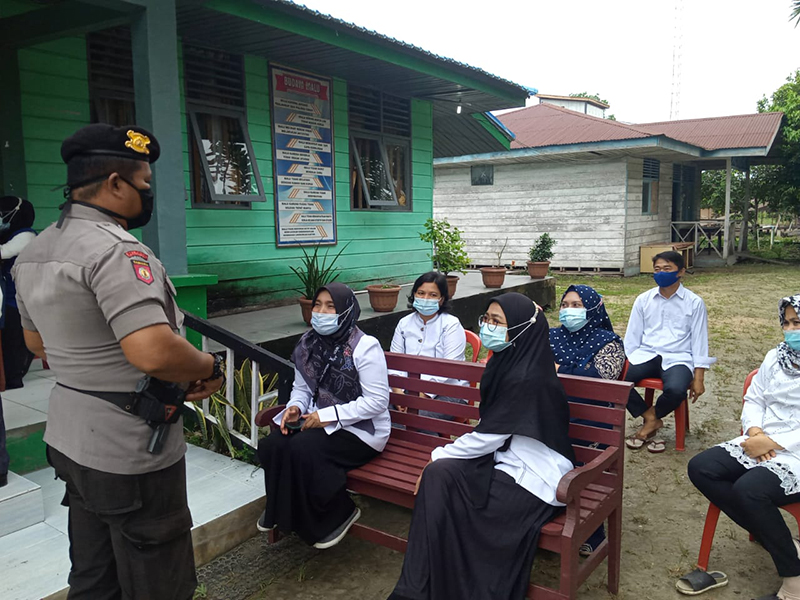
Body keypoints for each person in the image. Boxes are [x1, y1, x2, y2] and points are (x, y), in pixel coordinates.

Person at [13, 123, 224, 599]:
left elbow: (36, 344)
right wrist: (206, 367)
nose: (147, 195)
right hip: (131, 452)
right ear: (114, 184)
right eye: (144, 185)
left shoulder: (35, 252)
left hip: (70, 438)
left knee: (93, 576)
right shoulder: (117, 250)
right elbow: (151, 349)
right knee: (159, 581)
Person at [389, 293, 575, 600]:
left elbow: (491, 434)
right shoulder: (508, 361)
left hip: (537, 475)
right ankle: (414, 589)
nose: (488, 326)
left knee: (468, 508)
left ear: (521, 328)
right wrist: (438, 462)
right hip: (502, 458)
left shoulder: (529, 375)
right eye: (486, 319)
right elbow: (493, 435)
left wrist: (439, 453)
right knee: (438, 477)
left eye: (497, 321)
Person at [677, 295, 800, 598]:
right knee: (702, 467)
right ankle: (782, 541)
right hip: (759, 438)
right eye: (785, 323)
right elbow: (755, 397)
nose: (790, 330)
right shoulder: (776, 356)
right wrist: (755, 430)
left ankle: (794, 584)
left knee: (749, 490)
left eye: (797, 322)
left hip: (794, 451)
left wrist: (771, 442)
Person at [256, 282, 390, 549]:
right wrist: (294, 407)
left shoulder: (365, 346)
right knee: (272, 444)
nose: (321, 312)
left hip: (363, 431)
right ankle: (282, 510)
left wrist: (329, 416)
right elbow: (302, 389)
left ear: (346, 310)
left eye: (331, 306)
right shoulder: (307, 344)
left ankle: (338, 513)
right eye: (317, 305)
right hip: (320, 420)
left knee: (303, 448)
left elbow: (377, 402)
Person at [550, 284, 625, 557]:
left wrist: (560, 370)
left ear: (593, 308)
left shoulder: (609, 342)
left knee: (580, 455)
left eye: (577, 305)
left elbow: (599, 380)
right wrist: (573, 371)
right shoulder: (550, 336)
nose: (569, 310)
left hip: (591, 419)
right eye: (565, 305)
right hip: (551, 410)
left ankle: (592, 529)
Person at [624, 251, 715, 453]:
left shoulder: (694, 302)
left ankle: (652, 419)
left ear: (681, 271)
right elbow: (632, 337)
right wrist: (628, 362)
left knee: (675, 389)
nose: (661, 273)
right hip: (646, 354)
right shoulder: (643, 300)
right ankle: (650, 419)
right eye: (657, 269)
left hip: (678, 358)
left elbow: (699, 339)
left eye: (667, 269)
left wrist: (699, 376)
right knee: (616, 380)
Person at [389, 271, 467, 420]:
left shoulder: (451, 325)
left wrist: (419, 396)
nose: (425, 298)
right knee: (379, 413)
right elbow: (395, 362)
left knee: (413, 420)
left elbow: (449, 368)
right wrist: (398, 392)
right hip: (406, 389)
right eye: (421, 293)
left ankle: (430, 443)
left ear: (441, 299)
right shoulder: (404, 323)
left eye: (432, 295)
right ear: (414, 295)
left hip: (447, 392)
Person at [0, 196, 37, 389]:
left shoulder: (26, 235)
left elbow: (4, 252)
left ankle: (14, 378)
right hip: (7, 299)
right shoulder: (9, 234)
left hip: (18, 300)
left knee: (15, 340)